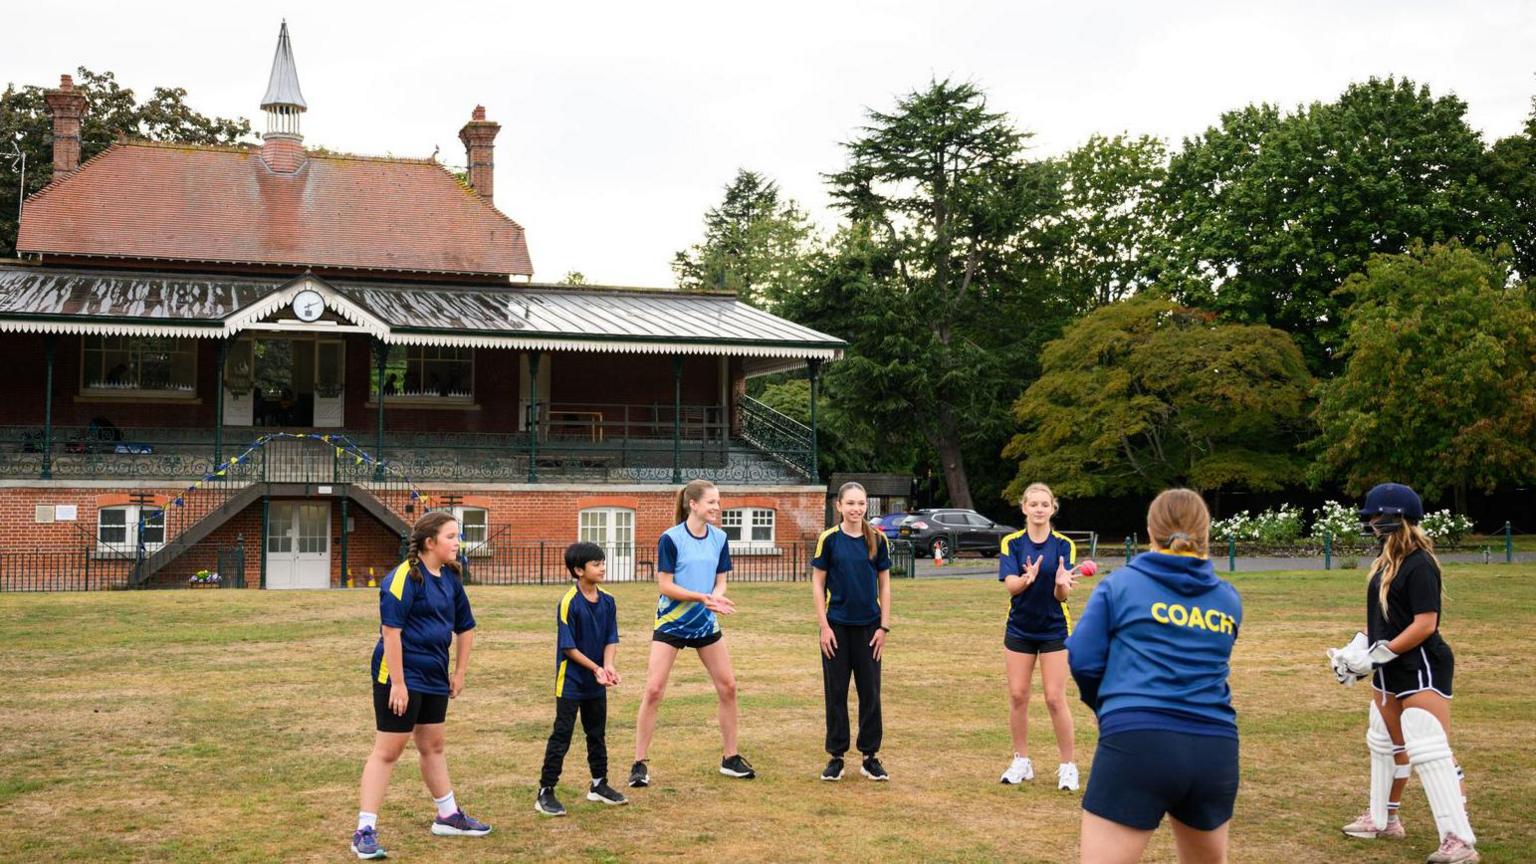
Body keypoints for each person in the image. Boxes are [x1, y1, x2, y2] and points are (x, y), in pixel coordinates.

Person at [1066, 489, 1243, 864]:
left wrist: (1109, 708)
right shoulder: (1228, 599)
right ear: (1205, 532)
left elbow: (1082, 658)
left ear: (1149, 531)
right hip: (1215, 749)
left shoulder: (1120, 585)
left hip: (1138, 742)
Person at [1328, 483, 1479, 864]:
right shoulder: (1383, 563)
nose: (1373, 523)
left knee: (1428, 749)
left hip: (1421, 664)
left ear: (1397, 517)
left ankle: (1459, 840)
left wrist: (1382, 654)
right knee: (1384, 743)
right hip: (1389, 666)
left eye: (1378, 517)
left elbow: (1425, 624)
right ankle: (1384, 819)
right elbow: (1385, 621)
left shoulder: (1419, 563)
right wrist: (1357, 651)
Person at [350, 512, 489, 860]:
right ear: (430, 542)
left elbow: (466, 628)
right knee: (389, 750)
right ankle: (364, 830)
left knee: (433, 744)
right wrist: (398, 683)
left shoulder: (451, 579)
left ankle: (447, 815)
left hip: (433, 674)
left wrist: (459, 673)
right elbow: (391, 633)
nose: (458, 543)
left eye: (458, 536)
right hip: (399, 673)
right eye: (452, 536)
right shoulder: (402, 578)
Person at [628, 478, 754, 787]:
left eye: (718, 501)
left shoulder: (720, 538)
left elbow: (721, 578)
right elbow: (665, 585)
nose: (717, 507)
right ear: (693, 504)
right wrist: (701, 597)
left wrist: (717, 595)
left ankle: (730, 757)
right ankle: (639, 763)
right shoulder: (670, 538)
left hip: (705, 623)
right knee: (654, 689)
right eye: (711, 502)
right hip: (671, 622)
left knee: (728, 687)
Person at [997, 482, 1088, 790]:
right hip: (1020, 628)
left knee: (1054, 698)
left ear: (1053, 508)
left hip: (1054, 630)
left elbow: (1062, 596)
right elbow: (1010, 585)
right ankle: (1021, 761)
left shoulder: (1063, 545)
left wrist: (1061, 582)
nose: (1038, 509)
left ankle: (1068, 766)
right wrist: (1026, 579)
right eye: (1033, 504)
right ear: (1024, 508)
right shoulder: (1012, 542)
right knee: (1018, 695)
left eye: (1044, 504)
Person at [535, 542, 628, 816]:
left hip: (595, 683)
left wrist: (607, 666)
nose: (602, 568)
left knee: (596, 733)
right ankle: (545, 791)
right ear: (578, 570)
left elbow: (611, 637)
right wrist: (595, 669)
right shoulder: (568, 603)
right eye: (596, 564)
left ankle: (599, 785)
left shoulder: (609, 600)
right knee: (562, 734)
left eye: (603, 562)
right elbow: (569, 647)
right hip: (572, 682)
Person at [810, 481, 893, 782]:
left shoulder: (878, 539)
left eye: (861, 503)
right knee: (836, 692)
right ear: (839, 506)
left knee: (870, 692)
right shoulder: (829, 540)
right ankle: (836, 756)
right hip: (837, 628)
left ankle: (870, 757)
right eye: (851, 503)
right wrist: (824, 626)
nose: (857, 509)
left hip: (870, 627)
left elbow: (884, 584)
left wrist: (883, 626)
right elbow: (818, 584)